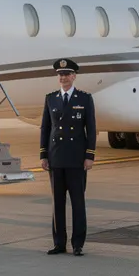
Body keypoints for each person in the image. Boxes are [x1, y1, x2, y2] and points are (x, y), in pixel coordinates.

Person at [39, 58, 96, 255]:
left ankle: (78, 244)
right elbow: (46, 128)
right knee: (58, 203)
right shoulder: (51, 98)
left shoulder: (84, 99)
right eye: (60, 75)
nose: (63, 78)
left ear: (74, 76)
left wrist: (89, 155)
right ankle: (59, 243)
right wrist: (43, 155)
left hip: (76, 158)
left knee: (78, 203)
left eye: (66, 74)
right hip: (56, 158)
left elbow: (91, 128)